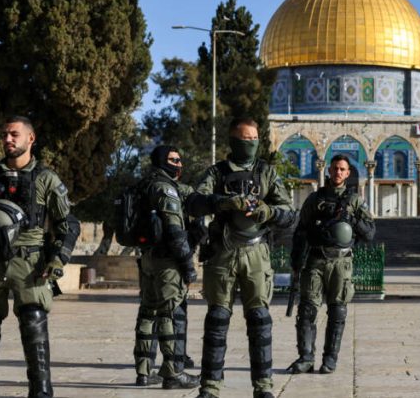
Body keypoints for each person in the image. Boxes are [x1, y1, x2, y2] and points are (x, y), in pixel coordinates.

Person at [0, 116, 80, 398]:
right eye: (4, 135)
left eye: (14, 134)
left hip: (31, 261)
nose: (8, 139)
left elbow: (68, 224)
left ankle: (41, 391)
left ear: (30, 139)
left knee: (33, 321)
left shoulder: (46, 179)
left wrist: (58, 260)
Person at [187, 117, 296, 398]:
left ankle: (263, 386)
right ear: (233, 141)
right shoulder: (217, 173)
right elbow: (194, 203)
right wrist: (223, 201)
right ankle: (210, 387)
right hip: (223, 252)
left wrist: (267, 211)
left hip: (256, 253)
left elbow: (289, 214)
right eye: (244, 140)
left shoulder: (267, 173)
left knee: (260, 320)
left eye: (253, 140)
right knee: (217, 320)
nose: (249, 145)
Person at [286, 154, 375, 375]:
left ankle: (330, 359)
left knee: (338, 311)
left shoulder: (354, 201)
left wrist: (351, 219)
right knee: (307, 309)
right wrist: (296, 261)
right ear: (329, 170)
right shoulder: (315, 199)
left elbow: (370, 233)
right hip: (315, 259)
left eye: (342, 169)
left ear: (348, 173)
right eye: (335, 168)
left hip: (340, 262)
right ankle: (306, 357)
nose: (338, 172)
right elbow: (301, 231)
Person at [132, 145, 200, 389]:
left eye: (180, 160)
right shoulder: (165, 188)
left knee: (147, 312)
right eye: (174, 159)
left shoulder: (143, 185)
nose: (179, 164)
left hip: (147, 258)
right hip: (166, 262)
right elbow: (174, 230)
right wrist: (187, 265)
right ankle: (173, 372)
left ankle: (143, 371)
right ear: (162, 160)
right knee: (169, 313)